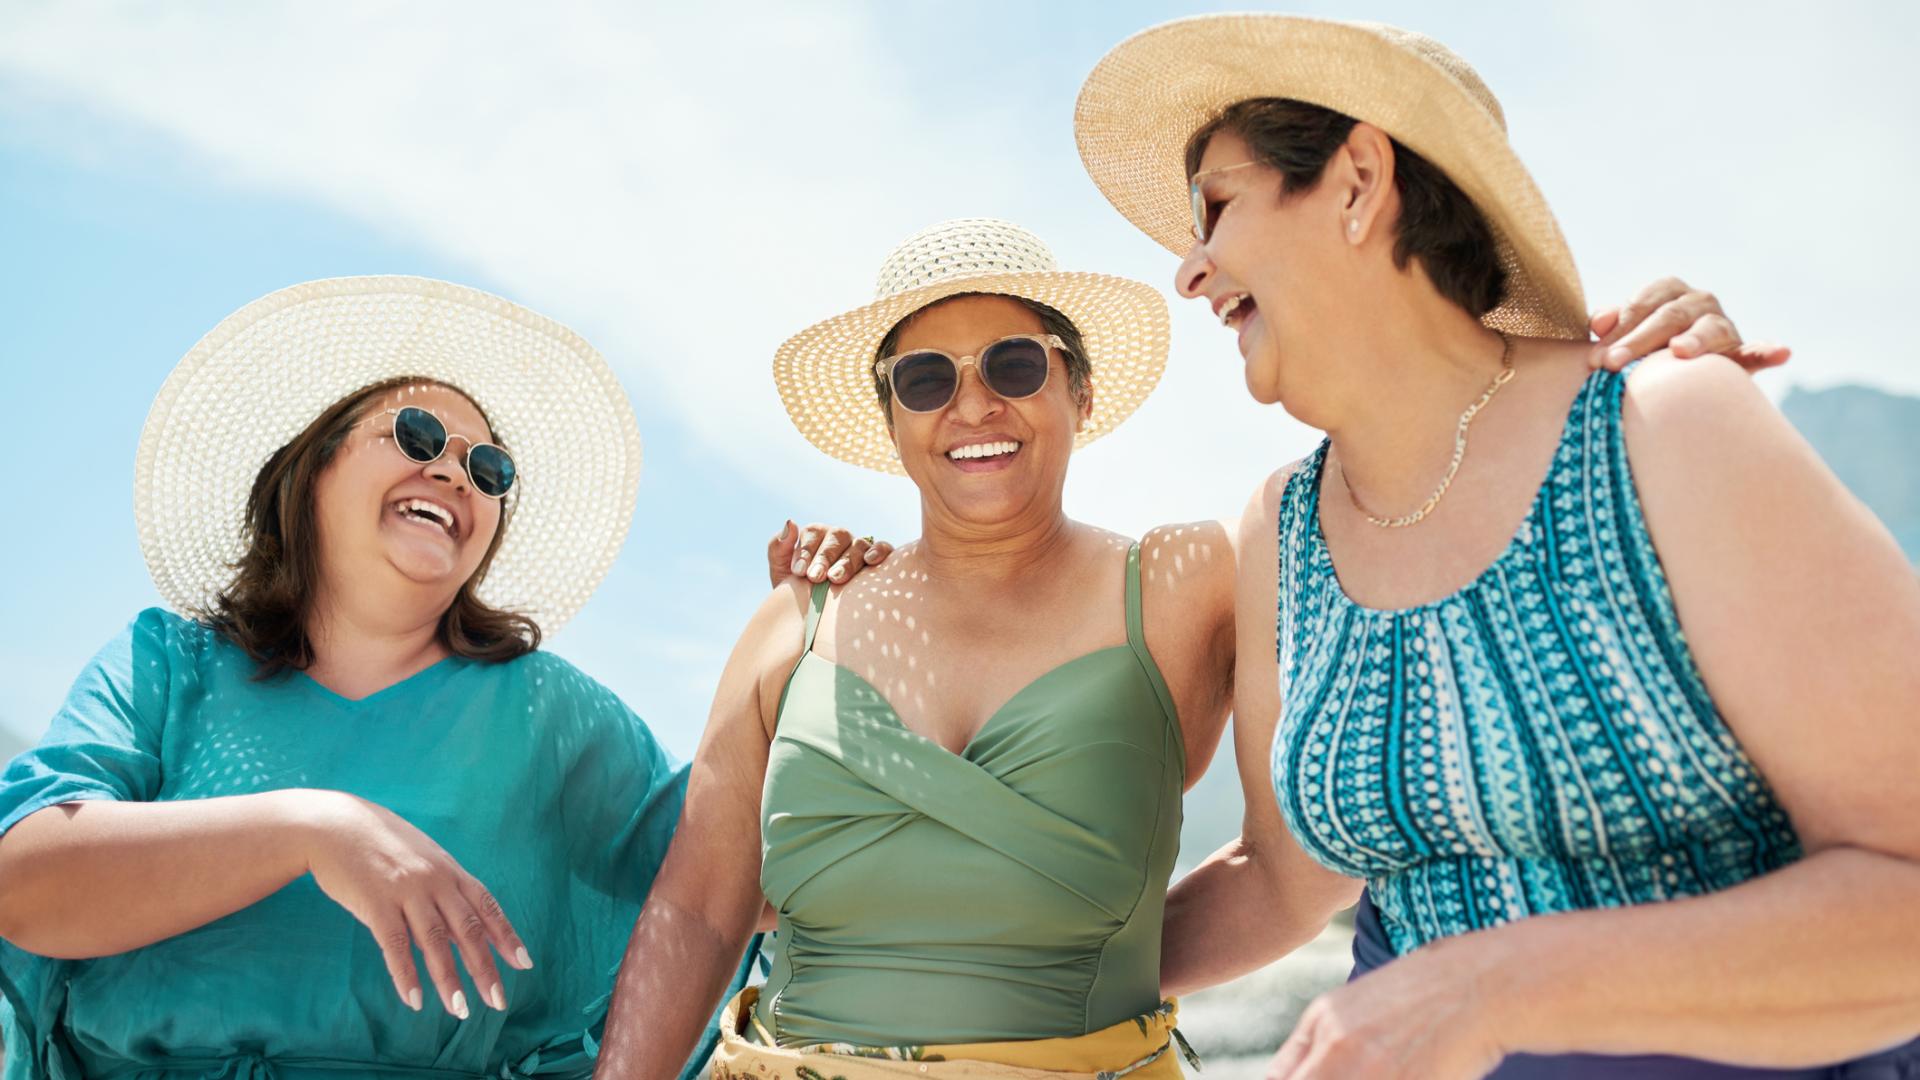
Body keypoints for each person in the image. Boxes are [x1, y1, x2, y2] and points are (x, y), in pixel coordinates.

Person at [592, 218, 1765, 1080]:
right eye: (926, 380)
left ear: (1079, 391)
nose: (973, 406)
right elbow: (696, 913)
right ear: (894, 419)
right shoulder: (795, 622)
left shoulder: (1194, 579)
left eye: (1013, 366)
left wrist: (1593, 373)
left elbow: (1292, 855)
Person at [1075, 14, 1920, 1077]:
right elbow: (1279, 879)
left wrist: (1491, 990)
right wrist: (996, 982)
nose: (1188, 275)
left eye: (1217, 208)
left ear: (1356, 182)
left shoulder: (1663, 428)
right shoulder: (1279, 529)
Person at [0, 275, 887, 1080]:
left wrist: (812, 656)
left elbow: (755, 881)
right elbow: (23, 883)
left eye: (488, 468)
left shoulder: (551, 715)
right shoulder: (168, 664)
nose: (453, 471)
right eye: (419, 434)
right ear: (311, 467)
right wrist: (314, 829)